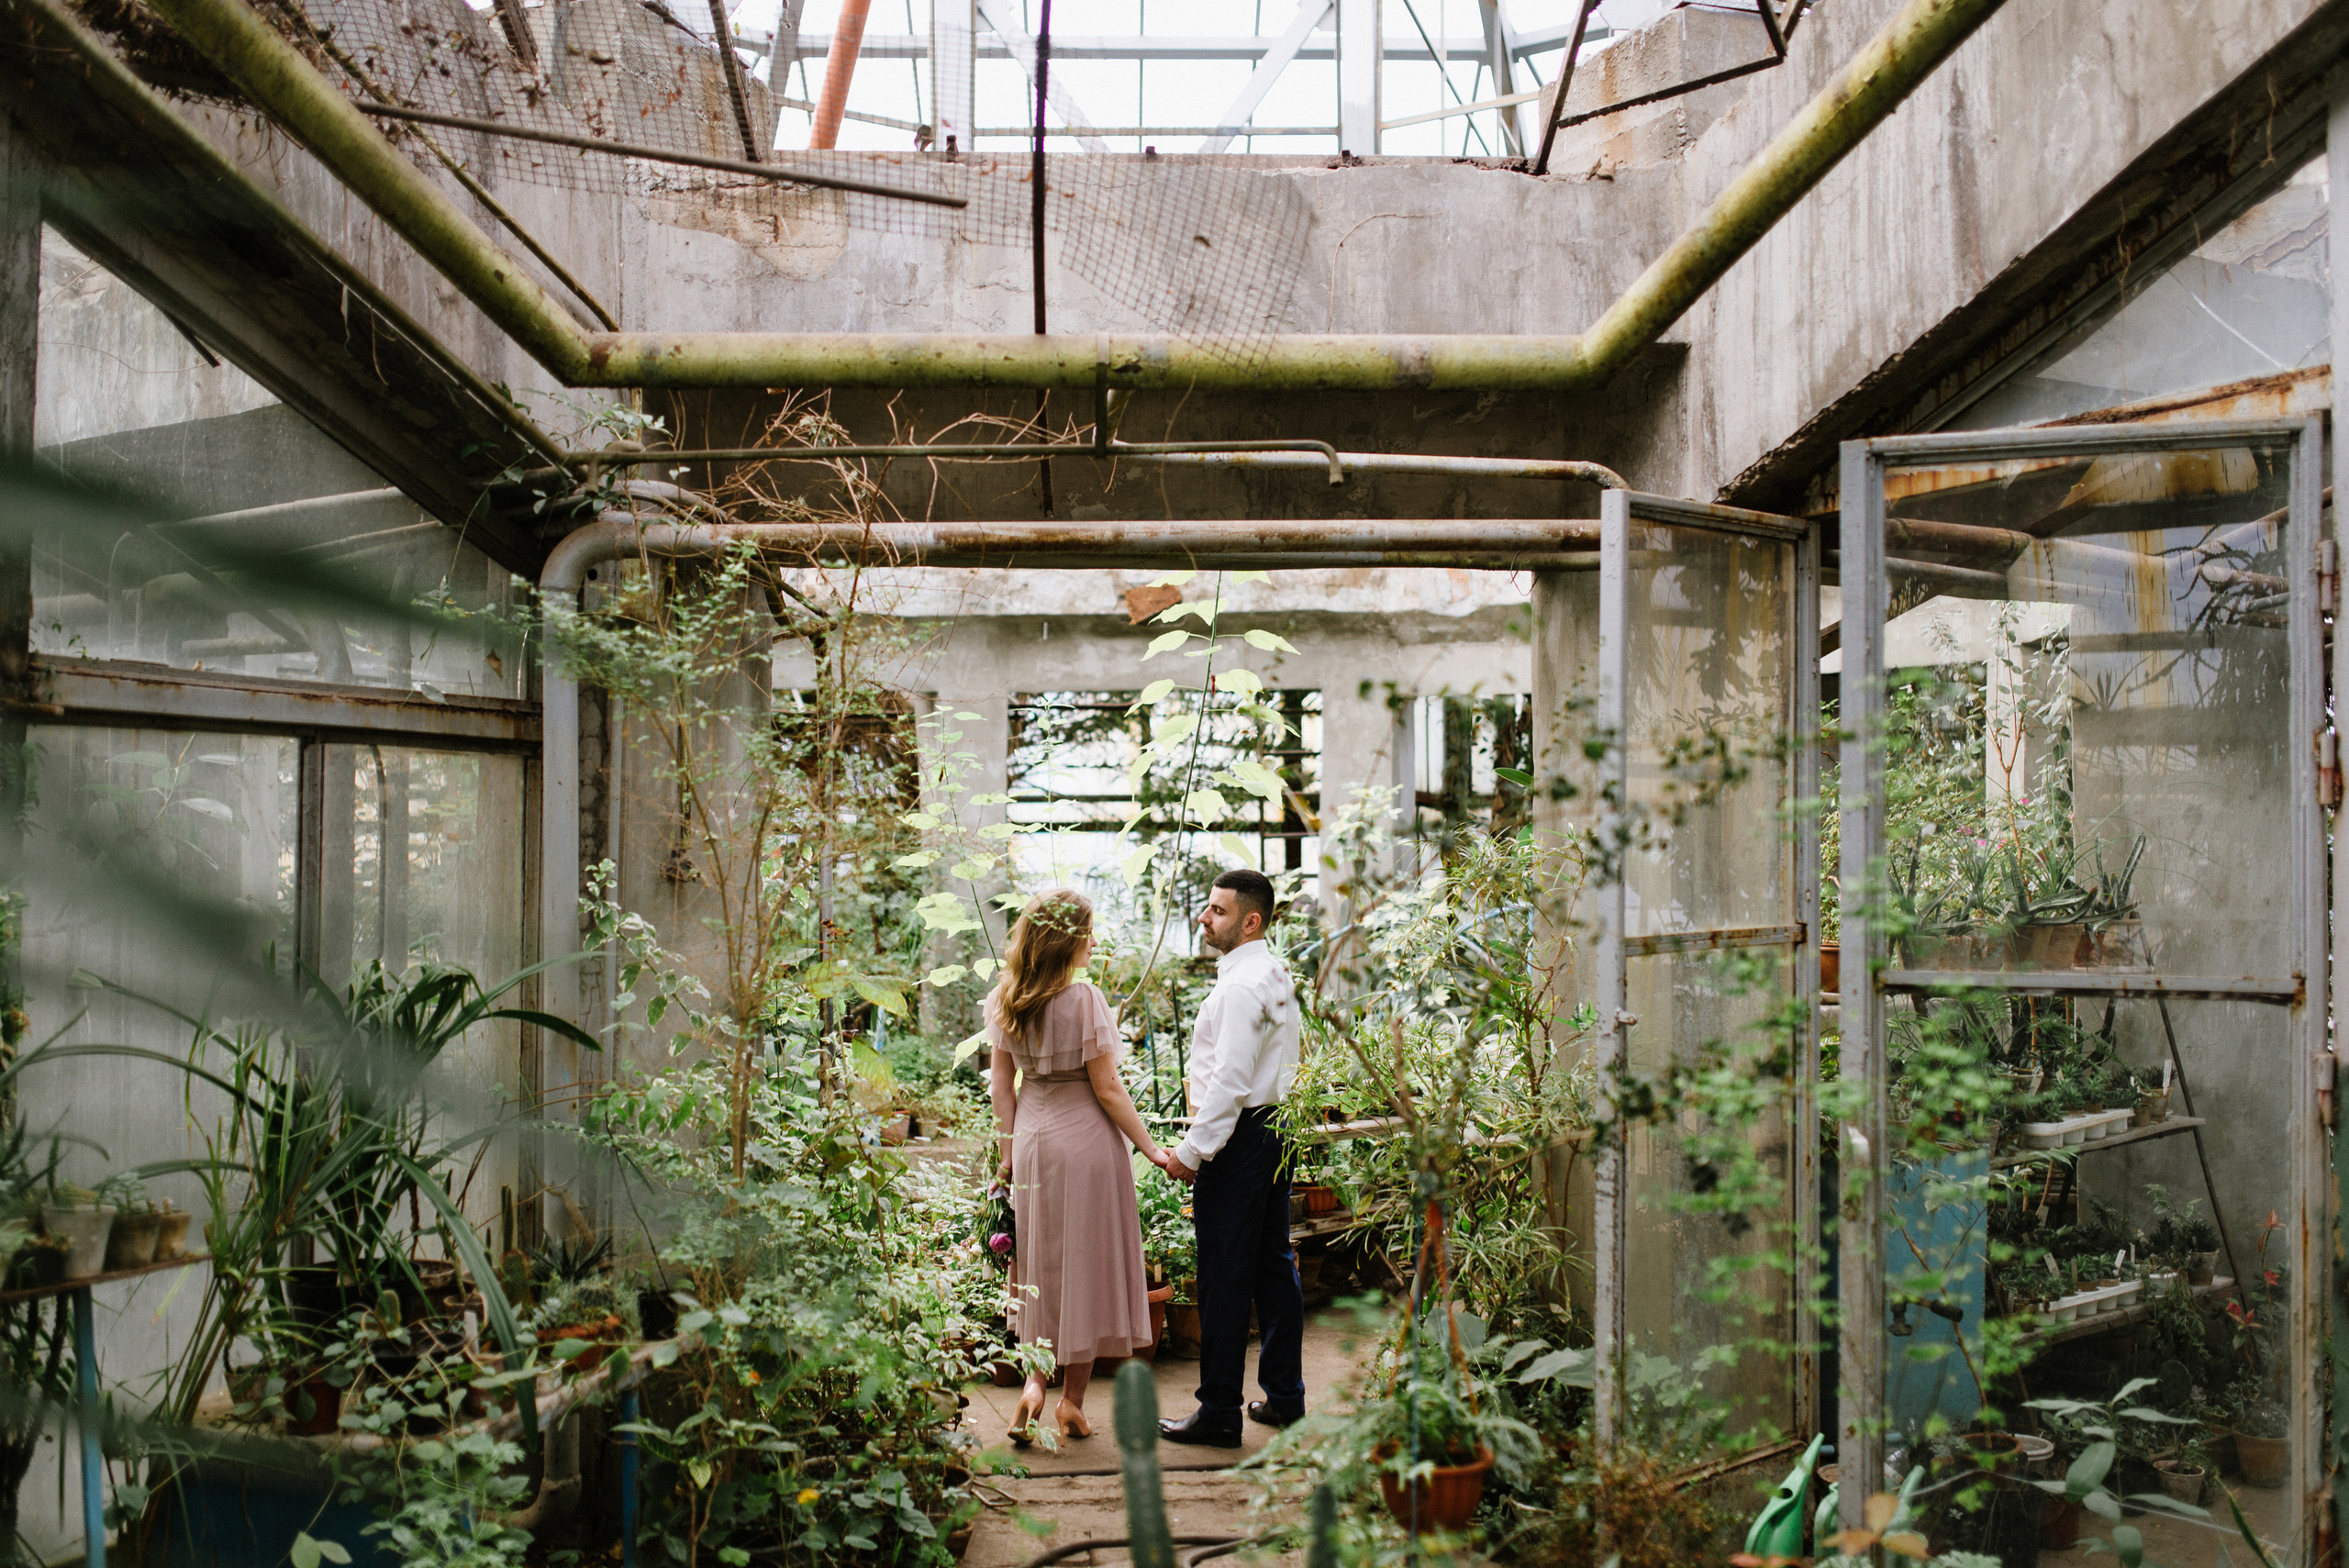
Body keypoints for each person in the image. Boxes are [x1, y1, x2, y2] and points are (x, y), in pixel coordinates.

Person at [986, 888, 1172, 1446]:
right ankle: (1071, 1403)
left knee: (1042, 1268)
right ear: (1068, 939)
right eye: (1088, 931)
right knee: (1086, 1269)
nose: (1094, 941)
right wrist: (1152, 1150)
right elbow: (1109, 1089)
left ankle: (1033, 1389)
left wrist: (1006, 1155)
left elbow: (1002, 1085)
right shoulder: (1085, 999)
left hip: (1035, 1142)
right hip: (1087, 1145)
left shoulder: (1007, 996)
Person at [1157, 868, 1306, 1448]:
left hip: (1242, 1136)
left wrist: (1194, 1152)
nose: (1204, 917)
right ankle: (1286, 1398)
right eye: (1207, 907)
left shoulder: (1243, 986)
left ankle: (1219, 1410)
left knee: (1223, 1272)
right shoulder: (1273, 974)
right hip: (1275, 1130)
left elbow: (1230, 1083)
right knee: (1272, 1264)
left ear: (1251, 921)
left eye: (1217, 911)